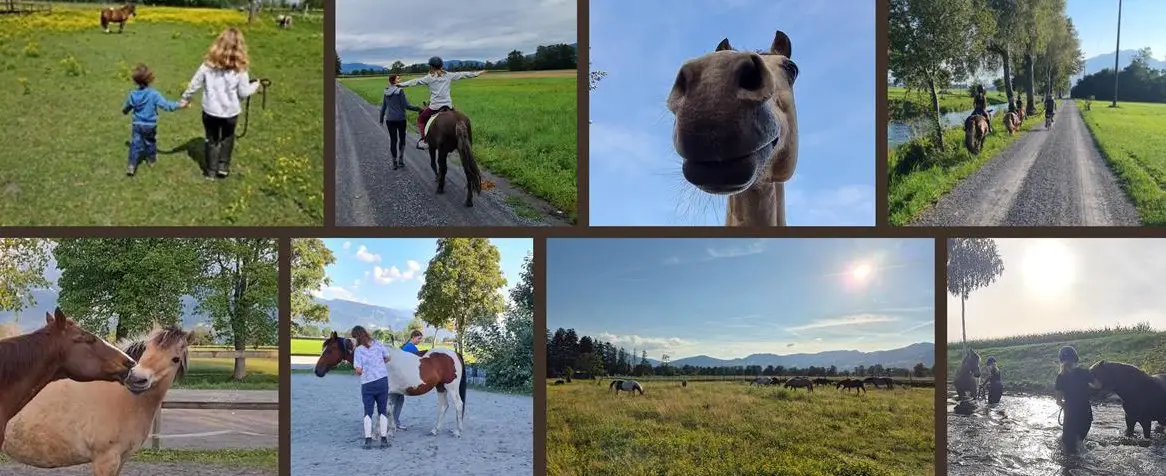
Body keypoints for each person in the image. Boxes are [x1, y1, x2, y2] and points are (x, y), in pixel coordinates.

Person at [180, 27, 263, 180]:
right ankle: (223, 167)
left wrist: (185, 98)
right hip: (230, 113)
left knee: (211, 140)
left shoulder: (207, 65)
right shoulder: (240, 69)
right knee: (227, 137)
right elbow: (243, 93)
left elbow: (194, 84)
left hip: (210, 112)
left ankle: (210, 172)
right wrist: (256, 85)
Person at [398, 56, 486, 149]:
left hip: (435, 107)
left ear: (431, 67)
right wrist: (477, 73)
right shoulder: (448, 75)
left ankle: (424, 140)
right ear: (441, 66)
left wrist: (401, 85)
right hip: (448, 105)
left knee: (421, 120)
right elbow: (463, 74)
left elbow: (415, 82)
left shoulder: (429, 78)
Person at [122, 64, 185, 177]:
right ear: (150, 79)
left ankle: (131, 165)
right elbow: (166, 106)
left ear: (135, 80)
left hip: (137, 124)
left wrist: (125, 111)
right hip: (150, 125)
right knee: (150, 142)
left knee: (135, 144)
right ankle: (151, 160)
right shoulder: (154, 94)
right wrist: (179, 105)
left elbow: (128, 106)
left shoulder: (133, 94)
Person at [351, 326, 391, 448]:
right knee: (382, 410)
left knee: (368, 412)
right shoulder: (378, 344)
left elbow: (358, 370)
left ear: (357, 337)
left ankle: (368, 440)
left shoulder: (358, 350)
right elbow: (388, 357)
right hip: (382, 381)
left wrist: (359, 371)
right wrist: (378, 363)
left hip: (367, 383)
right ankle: (384, 440)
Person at [1055, 345, 1097, 454]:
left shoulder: (1060, 377)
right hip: (1086, 415)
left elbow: (1058, 401)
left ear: (1061, 360)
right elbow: (1098, 385)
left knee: (1068, 448)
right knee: (1079, 442)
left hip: (1070, 416)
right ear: (1076, 358)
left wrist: (1065, 406)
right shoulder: (1085, 372)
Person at [379, 74, 421, 170]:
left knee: (393, 141)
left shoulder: (386, 91)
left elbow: (384, 107)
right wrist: (418, 109)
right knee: (402, 139)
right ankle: (401, 160)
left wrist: (381, 119)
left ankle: (394, 163)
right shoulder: (400, 91)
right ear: (394, 81)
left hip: (389, 120)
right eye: (398, 78)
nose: (400, 79)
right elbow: (406, 105)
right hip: (401, 119)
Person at [387, 330, 426, 431]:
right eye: (419, 338)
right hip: (401, 378)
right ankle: (394, 422)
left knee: (397, 399)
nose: (420, 341)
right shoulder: (410, 348)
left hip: (400, 377)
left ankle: (393, 421)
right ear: (413, 337)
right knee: (395, 400)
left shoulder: (408, 347)